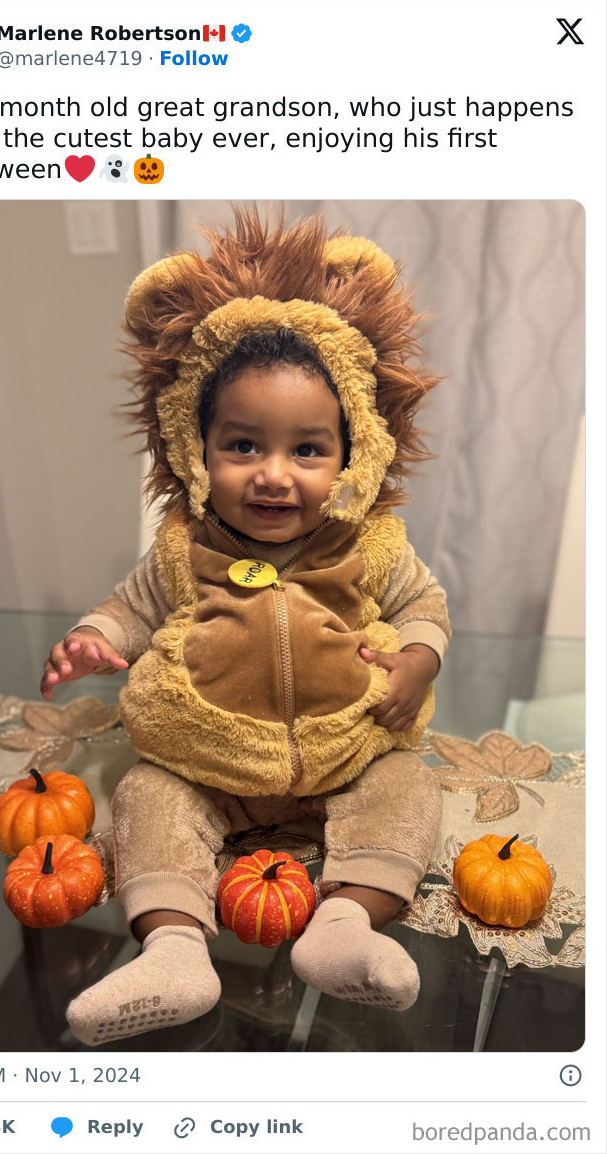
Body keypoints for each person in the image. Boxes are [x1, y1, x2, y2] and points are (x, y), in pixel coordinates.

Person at [40, 212, 451, 1046]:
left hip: (344, 753)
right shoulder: (182, 549)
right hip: (210, 764)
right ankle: (176, 949)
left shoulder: (369, 545)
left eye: (307, 449)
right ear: (198, 449)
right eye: (242, 444)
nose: (272, 474)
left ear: (354, 454)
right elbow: (127, 608)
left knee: (409, 785)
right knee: (146, 794)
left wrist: (417, 659)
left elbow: (427, 607)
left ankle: (344, 925)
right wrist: (94, 636)